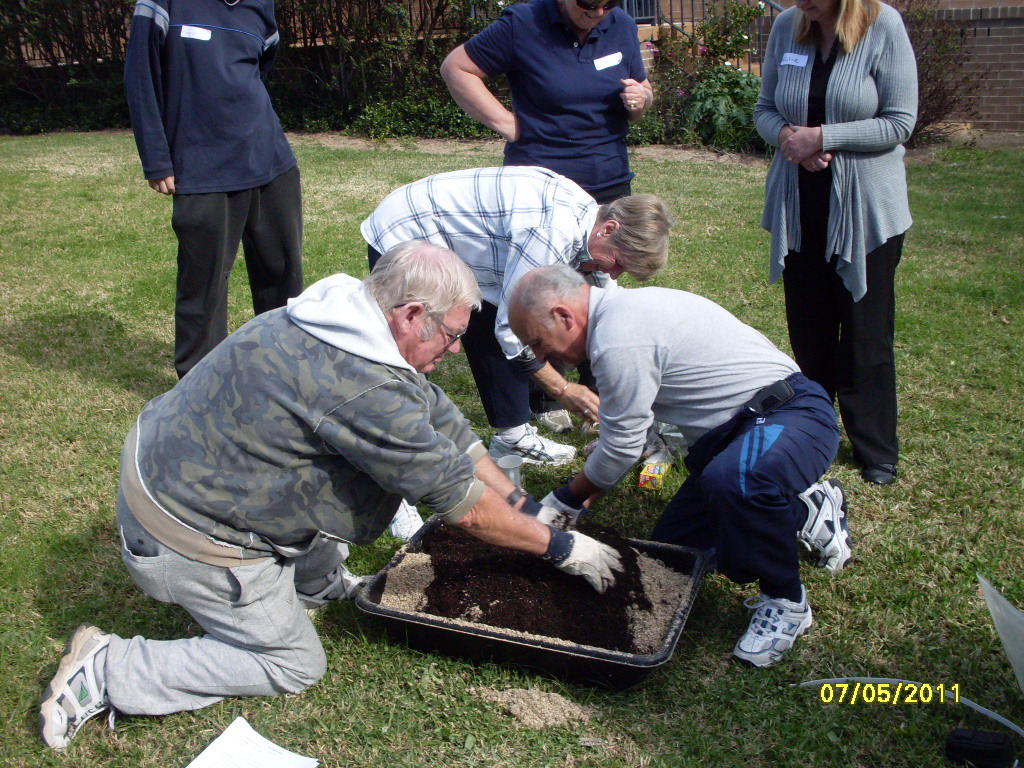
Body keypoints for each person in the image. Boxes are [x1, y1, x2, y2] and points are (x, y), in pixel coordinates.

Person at [39, 242, 622, 750]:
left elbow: (447, 429)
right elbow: (461, 504)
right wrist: (561, 548)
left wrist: (524, 507)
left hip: (173, 468)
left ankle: (312, 583)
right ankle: (110, 669)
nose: (452, 351)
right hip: (183, 534)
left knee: (333, 481)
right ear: (413, 314)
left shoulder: (339, 315)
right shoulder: (360, 384)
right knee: (293, 663)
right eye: (451, 336)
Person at [508, 265, 852, 667]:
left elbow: (621, 447)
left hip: (790, 415)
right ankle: (803, 512)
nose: (542, 356)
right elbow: (625, 441)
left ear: (564, 316)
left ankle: (787, 599)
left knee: (736, 484)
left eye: (538, 341)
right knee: (669, 562)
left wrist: (564, 501)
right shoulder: (621, 315)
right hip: (733, 440)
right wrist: (579, 499)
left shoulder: (618, 339)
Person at [360, 166, 673, 466]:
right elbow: (511, 330)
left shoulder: (589, 223)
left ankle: (513, 439)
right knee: (419, 343)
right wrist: (562, 389)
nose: (614, 273)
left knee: (495, 314)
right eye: (617, 263)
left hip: (464, 246)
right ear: (609, 229)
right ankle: (397, 446)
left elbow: (608, 308)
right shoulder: (551, 232)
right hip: (407, 230)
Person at [754, 0, 917, 485]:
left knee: (865, 333)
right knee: (809, 328)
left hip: (866, 210)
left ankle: (876, 449)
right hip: (800, 205)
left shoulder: (882, 25)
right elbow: (765, 108)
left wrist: (824, 137)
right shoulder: (787, 26)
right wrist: (788, 138)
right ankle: (815, 433)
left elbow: (899, 121)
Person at [124, 0, 304, 380]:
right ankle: (200, 383)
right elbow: (140, 78)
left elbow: (259, 67)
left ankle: (284, 369)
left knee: (282, 274)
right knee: (203, 284)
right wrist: (157, 160)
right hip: (202, 166)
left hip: (271, 159)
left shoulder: (260, 6)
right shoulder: (162, 4)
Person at [440, 0, 654, 204]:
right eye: (589, 3)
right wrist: (507, 125)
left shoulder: (621, 24)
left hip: (611, 183)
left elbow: (642, 91)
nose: (598, 12)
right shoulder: (524, 23)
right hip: (539, 186)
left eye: (609, 4)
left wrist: (641, 98)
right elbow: (457, 68)